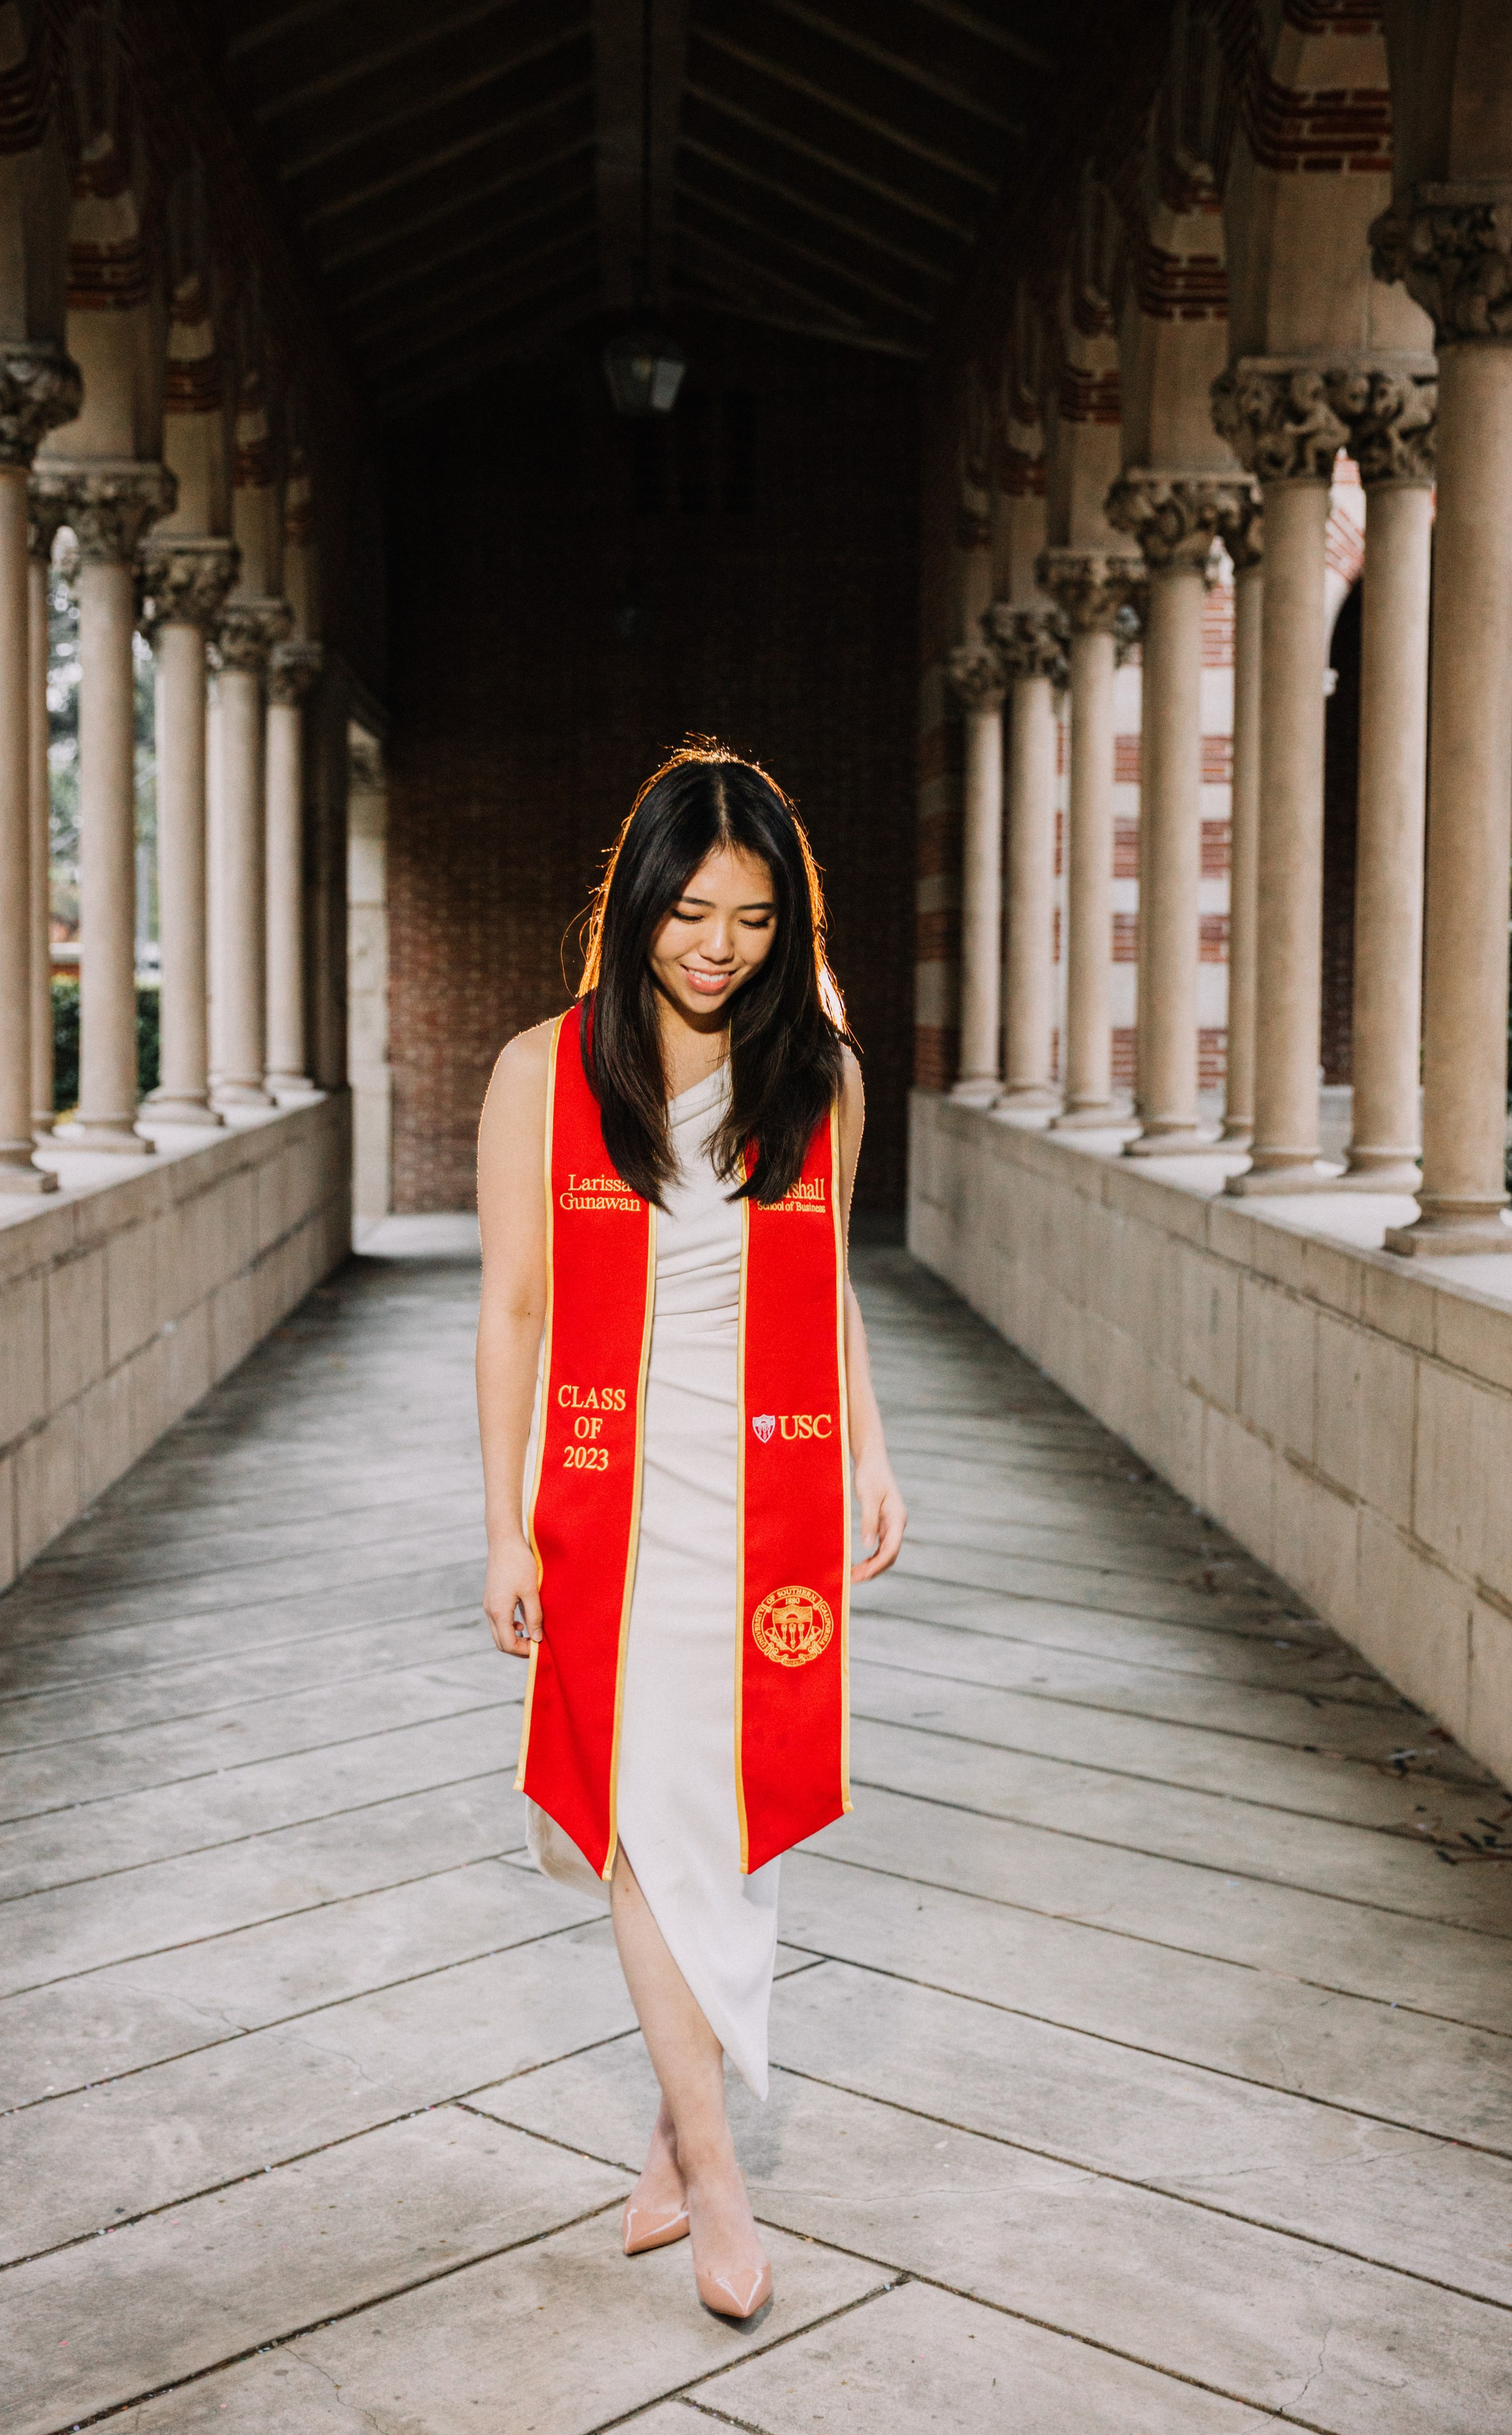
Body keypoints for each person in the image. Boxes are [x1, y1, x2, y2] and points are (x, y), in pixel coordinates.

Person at [476, 742, 905, 2325]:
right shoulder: (545, 1071)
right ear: (637, 901)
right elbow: (510, 1309)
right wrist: (502, 1526)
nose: (718, 946)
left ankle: (670, 2126)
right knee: (645, 1821)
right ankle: (719, 2174)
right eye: (690, 911)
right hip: (614, 1497)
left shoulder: (818, 1076)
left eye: (753, 917)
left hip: (768, 1489)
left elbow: (830, 1280)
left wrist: (872, 1449)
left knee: (730, 1826)